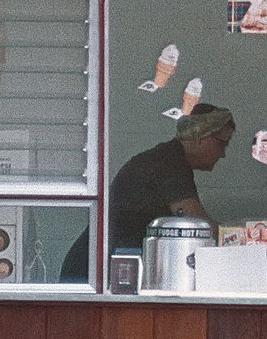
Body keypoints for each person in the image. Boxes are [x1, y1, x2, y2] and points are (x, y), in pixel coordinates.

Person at [60, 104, 237, 279]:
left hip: (101, 265)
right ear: (201, 136)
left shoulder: (167, 157)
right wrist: (240, 238)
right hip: (93, 273)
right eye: (223, 144)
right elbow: (198, 225)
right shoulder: (169, 163)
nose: (223, 154)